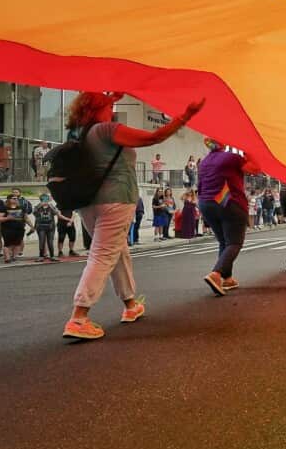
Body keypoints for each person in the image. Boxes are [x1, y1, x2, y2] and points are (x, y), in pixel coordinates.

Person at [62, 91, 203, 340]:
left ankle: (130, 305)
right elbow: (153, 137)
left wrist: (110, 97)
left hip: (88, 201)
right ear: (99, 108)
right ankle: (79, 317)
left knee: (118, 251)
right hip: (117, 198)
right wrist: (185, 116)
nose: (113, 110)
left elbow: (97, 109)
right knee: (103, 254)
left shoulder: (78, 133)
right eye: (109, 106)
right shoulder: (107, 130)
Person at [197, 137, 260, 295]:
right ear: (222, 142)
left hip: (206, 204)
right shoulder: (231, 158)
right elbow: (255, 169)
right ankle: (216, 274)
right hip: (228, 203)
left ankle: (227, 279)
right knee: (234, 243)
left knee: (224, 242)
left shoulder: (203, 162)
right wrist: (249, 151)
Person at [0, 194, 32, 263]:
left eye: (16, 198)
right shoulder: (4, 208)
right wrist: (7, 218)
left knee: (17, 243)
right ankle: (7, 258)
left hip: (19, 228)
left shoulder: (21, 208)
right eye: (13, 198)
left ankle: (14, 257)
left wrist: (31, 226)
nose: (16, 199)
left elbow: (26, 218)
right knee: (8, 244)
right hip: (7, 229)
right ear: (9, 200)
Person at [32, 193, 61, 261]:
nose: (45, 201)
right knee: (42, 241)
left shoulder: (51, 206)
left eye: (46, 199)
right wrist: (39, 206)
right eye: (43, 199)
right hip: (41, 227)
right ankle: (41, 256)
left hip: (50, 226)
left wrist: (51, 206)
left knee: (50, 242)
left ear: (48, 199)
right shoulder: (37, 206)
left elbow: (56, 213)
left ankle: (52, 256)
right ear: (41, 199)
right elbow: (34, 213)